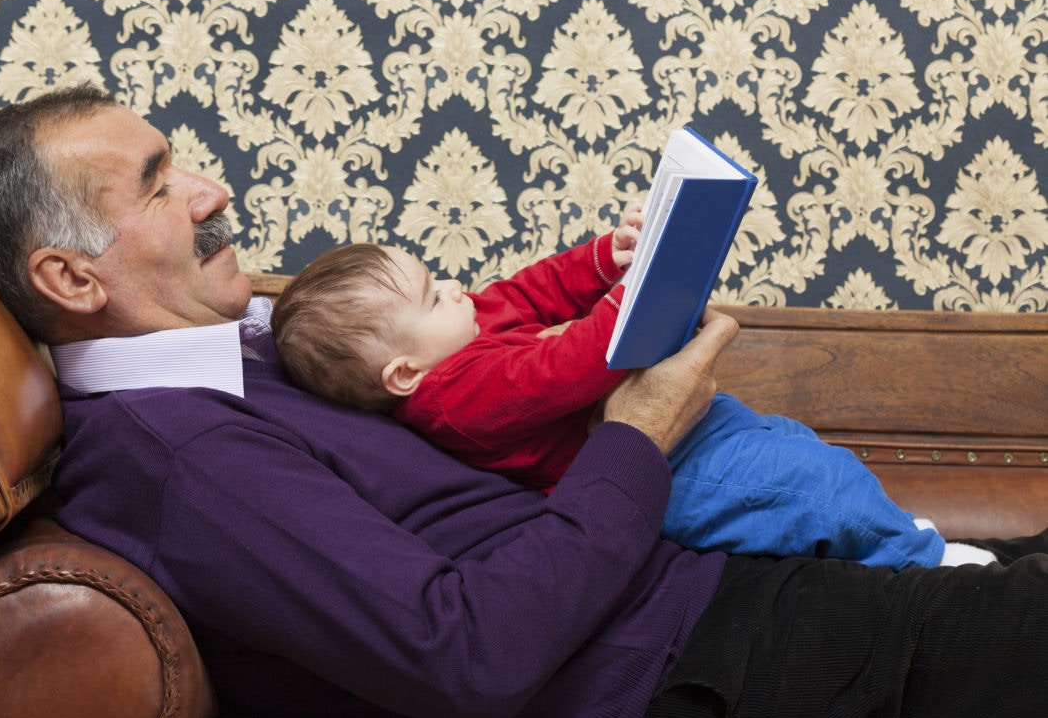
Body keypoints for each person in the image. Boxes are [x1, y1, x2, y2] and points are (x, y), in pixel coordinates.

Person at [0, 83, 1048, 718]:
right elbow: (467, 656)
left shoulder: (250, 354)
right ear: (71, 276)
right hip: (685, 678)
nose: (213, 190)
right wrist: (637, 433)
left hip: (706, 598)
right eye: (160, 184)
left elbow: (493, 349)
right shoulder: (178, 457)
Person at [268, 236, 994, 568]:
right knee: (810, 486)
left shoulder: (458, 338)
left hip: (694, 432)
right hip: (668, 473)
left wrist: (596, 261)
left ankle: (879, 533)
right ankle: (923, 561)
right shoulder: (461, 397)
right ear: (402, 375)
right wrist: (632, 299)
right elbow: (570, 364)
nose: (457, 289)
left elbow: (522, 294)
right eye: (433, 296)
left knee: (801, 449)